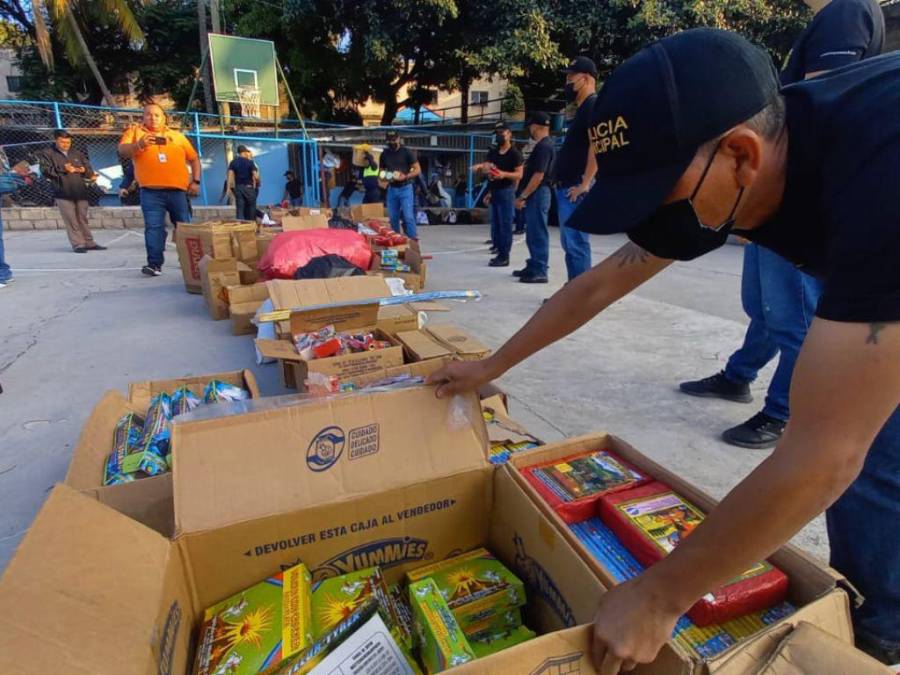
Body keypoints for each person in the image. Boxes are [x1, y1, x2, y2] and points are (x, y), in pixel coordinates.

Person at [428, 28, 900, 668]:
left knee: (868, 455)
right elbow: (601, 283)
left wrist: (660, 596)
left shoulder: (878, 180)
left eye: (657, 197)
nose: (649, 223)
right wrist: (492, 365)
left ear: (741, 156)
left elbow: (824, 454)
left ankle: (878, 630)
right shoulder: (742, 159)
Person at [678, 0, 884, 449]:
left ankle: (782, 413)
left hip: (792, 196)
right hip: (778, 192)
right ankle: (739, 375)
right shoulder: (833, 18)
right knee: (764, 306)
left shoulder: (845, 11)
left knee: (792, 319)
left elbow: (824, 109)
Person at [118, 103, 201, 277]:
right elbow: (122, 150)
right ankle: (154, 265)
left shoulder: (177, 136)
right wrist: (139, 145)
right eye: (148, 115)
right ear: (143, 117)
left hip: (178, 191)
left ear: (164, 118)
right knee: (154, 227)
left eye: (157, 115)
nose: (153, 118)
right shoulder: (135, 133)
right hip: (150, 192)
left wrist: (196, 181)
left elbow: (194, 159)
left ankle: (191, 264)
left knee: (184, 227)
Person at [555, 56, 599, 281]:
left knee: (577, 242)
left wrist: (584, 183)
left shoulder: (592, 105)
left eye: (571, 77)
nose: (568, 83)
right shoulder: (581, 110)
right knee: (570, 242)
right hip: (568, 185)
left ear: (585, 78)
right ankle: (574, 290)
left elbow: (596, 145)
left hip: (575, 186)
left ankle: (578, 296)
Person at [38, 130, 106, 254]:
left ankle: (89, 242)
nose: (66, 144)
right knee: (71, 219)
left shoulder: (77, 153)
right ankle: (78, 244)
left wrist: (86, 171)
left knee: (82, 218)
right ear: (56, 140)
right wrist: (63, 169)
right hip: (62, 191)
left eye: (68, 142)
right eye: (62, 142)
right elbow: (45, 171)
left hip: (80, 191)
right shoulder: (47, 153)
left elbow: (88, 168)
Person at [471, 122, 523, 267]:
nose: (499, 135)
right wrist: (481, 167)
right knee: (498, 224)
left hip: (507, 191)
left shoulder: (514, 154)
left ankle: (505, 256)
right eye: (497, 133)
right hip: (495, 190)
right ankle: (500, 252)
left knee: (505, 225)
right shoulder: (493, 153)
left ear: (509, 134)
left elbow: (519, 174)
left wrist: (504, 175)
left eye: (502, 132)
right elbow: (488, 167)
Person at [514, 112, 556, 284]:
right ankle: (533, 265)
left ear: (536, 126)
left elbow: (538, 175)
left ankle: (540, 269)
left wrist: (523, 195)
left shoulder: (543, 147)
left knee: (537, 231)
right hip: (537, 194)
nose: (530, 130)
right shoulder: (543, 146)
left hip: (539, 193)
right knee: (532, 231)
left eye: (530, 126)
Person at [380, 130, 421, 239]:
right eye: (389, 140)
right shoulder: (384, 154)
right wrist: (385, 177)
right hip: (392, 189)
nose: (391, 142)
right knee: (393, 217)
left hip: (405, 188)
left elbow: (417, 169)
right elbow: (381, 172)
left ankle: (413, 240)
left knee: (408, 216)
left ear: (398, 139)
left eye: (393, 139)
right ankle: (396, 240)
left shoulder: (406, 152)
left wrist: (406, 176)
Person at [227, 145, 260, 221]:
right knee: (252, 207)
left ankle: (241, 228)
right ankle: (252, 225)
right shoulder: (250, 162)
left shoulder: (233, 162)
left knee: (240, 208)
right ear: (244, 152)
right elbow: (255, 176)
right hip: (249, 188)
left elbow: (230, 176)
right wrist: (258, 181)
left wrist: (228, 188)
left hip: (238, 188)